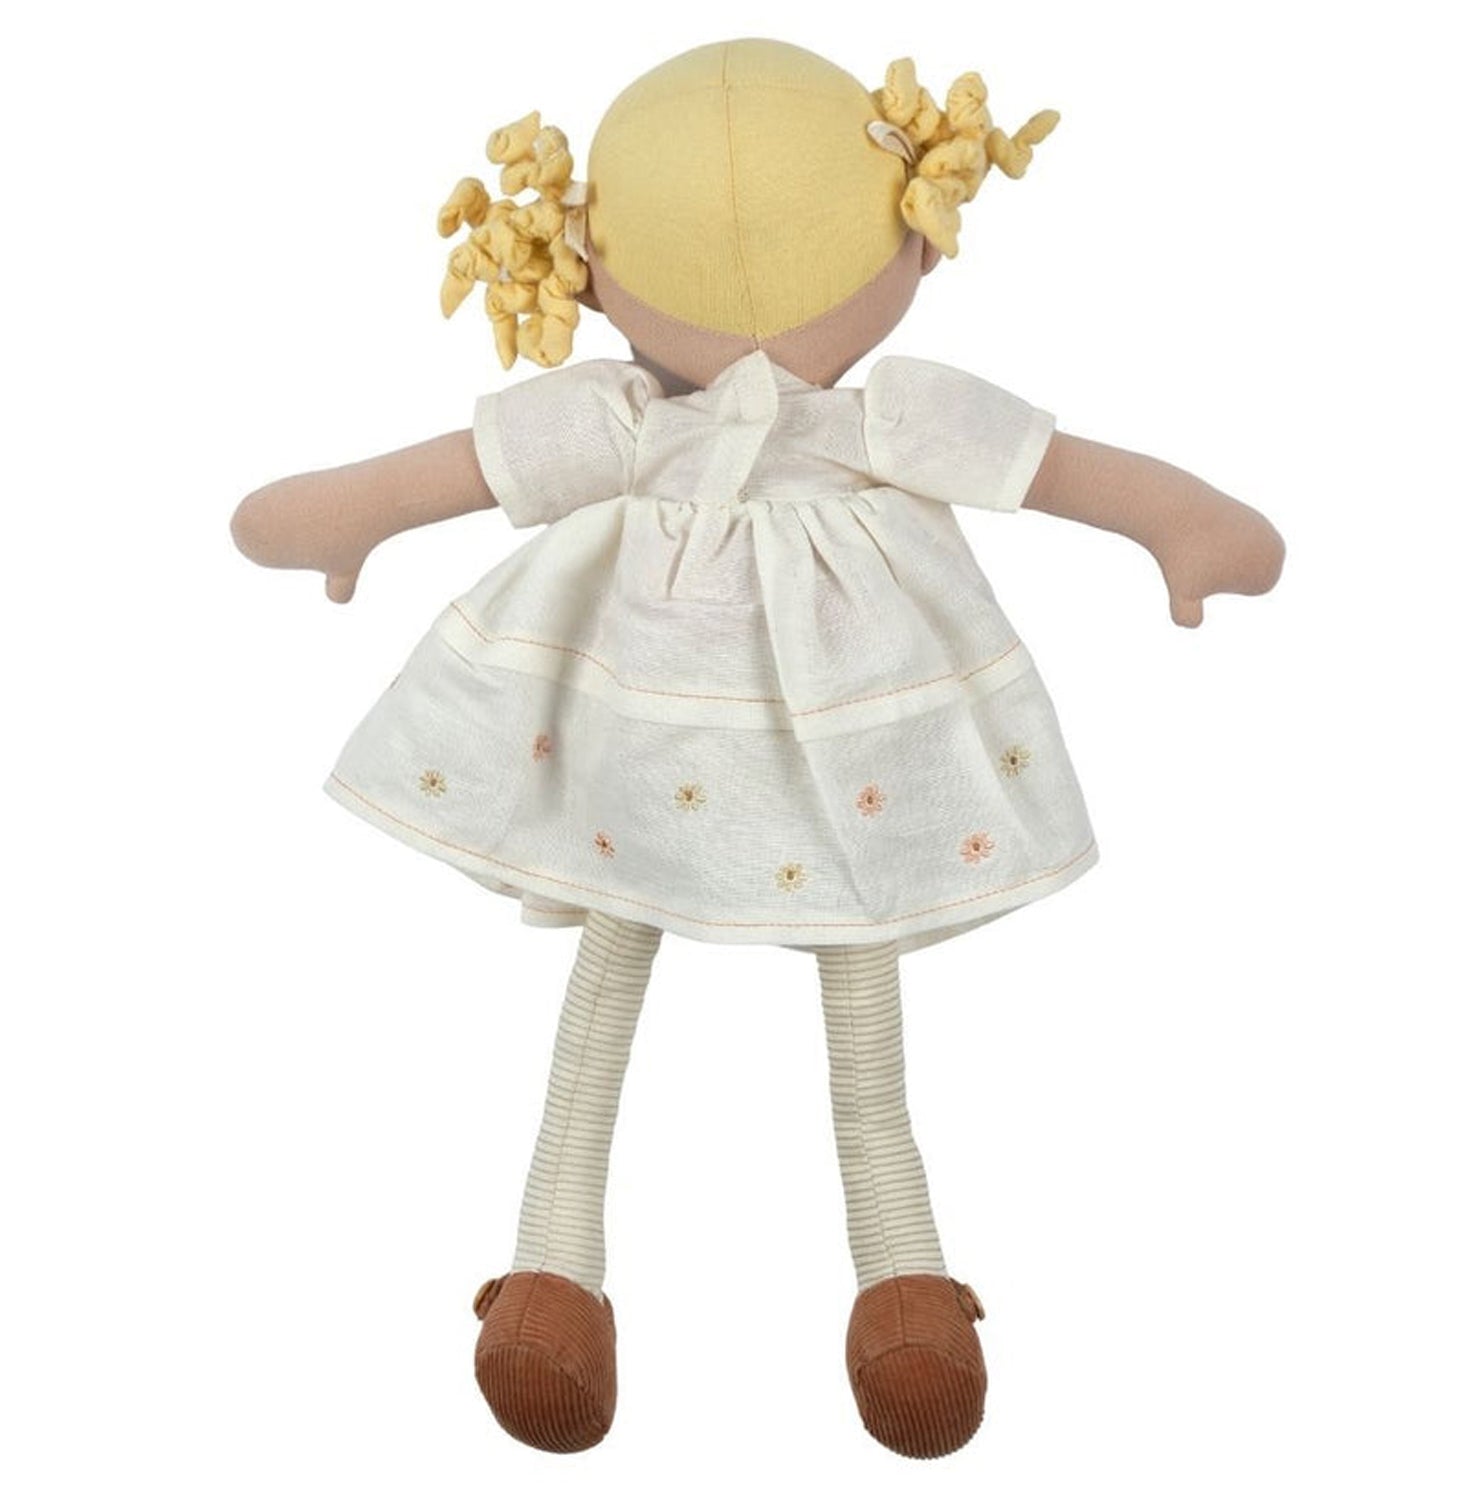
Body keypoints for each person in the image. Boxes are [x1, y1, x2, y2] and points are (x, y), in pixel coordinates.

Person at [232, 39, 1284, 1459]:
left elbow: (1060, 469)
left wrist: (1180, 526)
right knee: (642, 971)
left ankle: (893, 1276)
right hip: (643, 746)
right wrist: (340, 521)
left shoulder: (891, 419)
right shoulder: (625, 423)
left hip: (846, 756)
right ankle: (563, 1269)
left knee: (833, 992)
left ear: (580, 256)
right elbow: (447, 474)